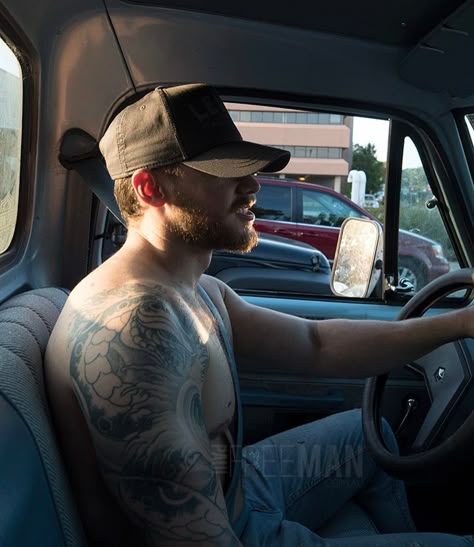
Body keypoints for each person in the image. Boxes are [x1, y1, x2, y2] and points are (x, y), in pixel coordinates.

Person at [45, 83, 474, 547]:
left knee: (370, 436)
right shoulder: (134, 334)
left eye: (248, 169)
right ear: (152, 188)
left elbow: (317, 345)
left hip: (242, 486)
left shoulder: (197, 289)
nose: (253, 186)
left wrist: (459, 323)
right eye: (225, 172)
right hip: (240, 532)